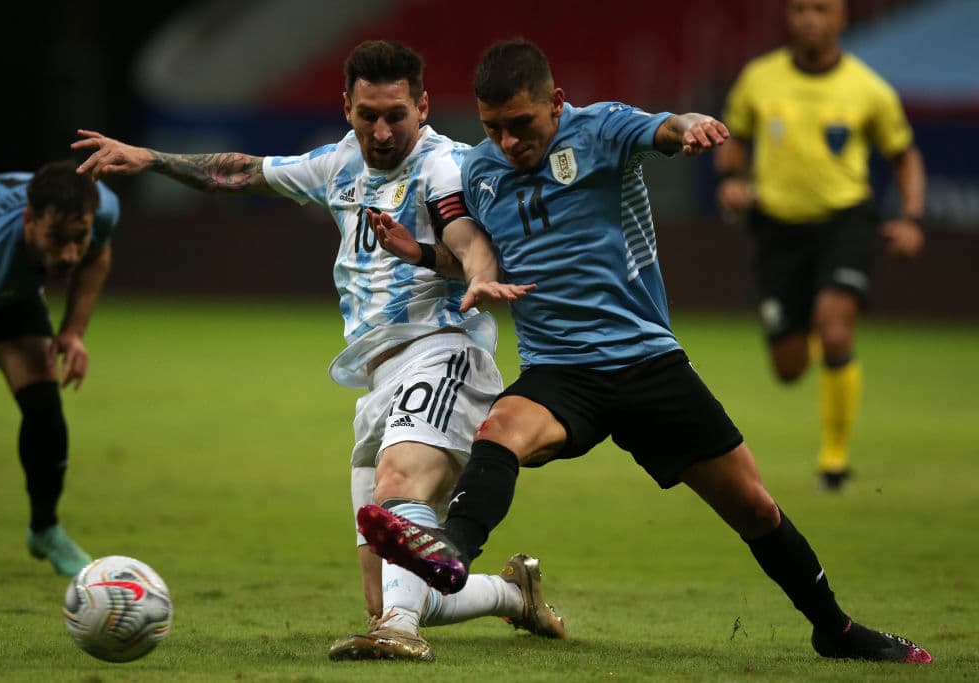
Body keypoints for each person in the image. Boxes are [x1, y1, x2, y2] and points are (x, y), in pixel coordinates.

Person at [357, 39, 932, 664]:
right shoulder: (481, 171)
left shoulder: (600, 129)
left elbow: (666, 127)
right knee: (499, 431)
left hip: (646, 362)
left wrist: (693, 128)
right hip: (559, 371)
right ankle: (452, 553)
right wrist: (422, 255)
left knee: (753, 506)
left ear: (556, 102)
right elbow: (479, 257)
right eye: (493, 128)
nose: (508, 142)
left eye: (521, 124)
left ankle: (834, 629)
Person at [72, 40, 563, 662]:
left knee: (399, 484)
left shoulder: (444, 166)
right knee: (390, 593)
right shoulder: (338, 163)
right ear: (346, 108)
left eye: (396, 116)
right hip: (377, 374)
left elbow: (463, 233)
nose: (381, 132)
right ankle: (512, 593)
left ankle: (399, 635)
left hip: (443, 352)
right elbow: (242, 172)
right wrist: (150, 159)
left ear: (423, 107)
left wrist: (474, 271)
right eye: (367, 116)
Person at [715, 0, 926, 490]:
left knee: (835, 331)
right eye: (800, 9)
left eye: (822, 9)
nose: (810, 19)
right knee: (789, 368)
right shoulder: (759, 78)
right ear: (789, 17)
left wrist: (911, 218)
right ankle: (811, 320)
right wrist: (730, 180)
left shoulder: (868, 88)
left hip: (844, 221)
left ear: (841, 18)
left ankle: (835, 460)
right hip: (777, 228)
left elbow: (904, 155)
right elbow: (735, 140)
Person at [0, 159, 119, 576]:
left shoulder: (100, 207)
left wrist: (73, 331)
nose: (68, 254)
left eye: (77, 238)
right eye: (56, 238)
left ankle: (44, 530)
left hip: (8, 286)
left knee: (45, 410)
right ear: (29, 221)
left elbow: (97, 254)